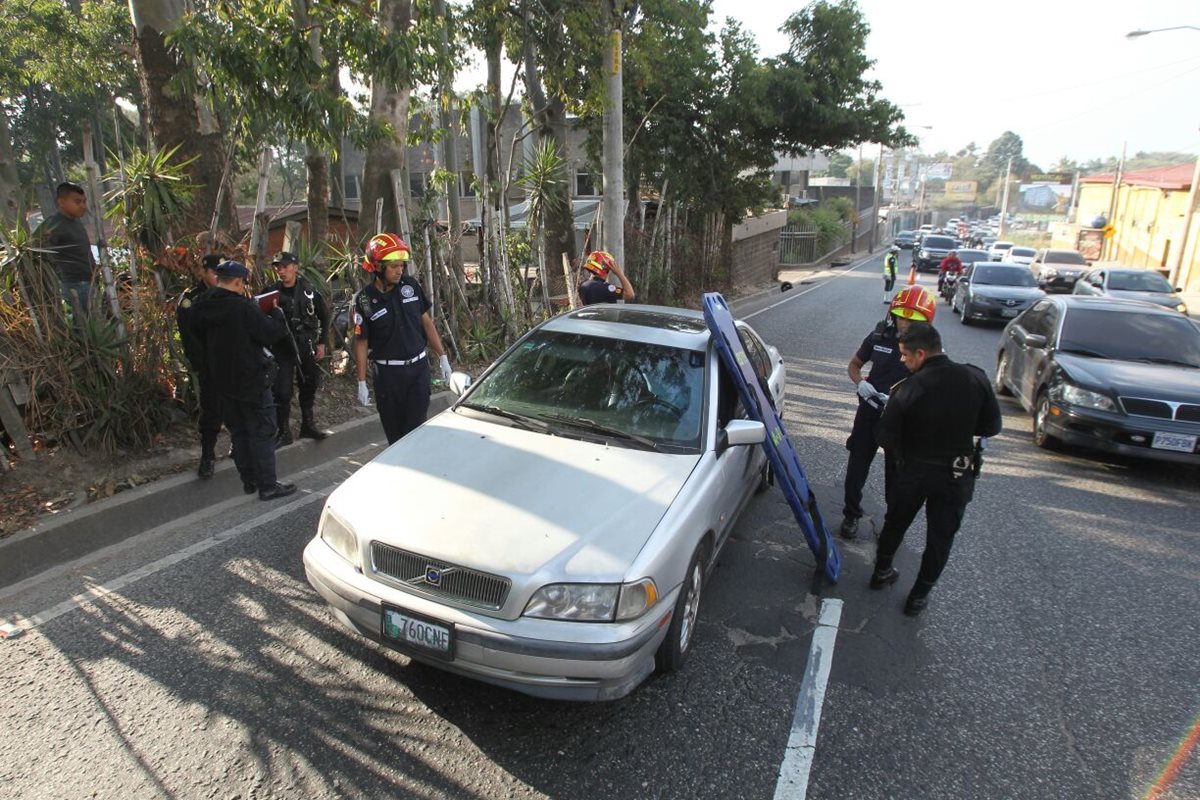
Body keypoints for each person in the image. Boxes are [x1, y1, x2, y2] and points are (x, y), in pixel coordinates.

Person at [869, 322, 1002, 616]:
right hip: (956, 474)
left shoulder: (908, 388)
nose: (902, 361)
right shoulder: (975, 378)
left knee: (896, 523)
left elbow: (885, 436)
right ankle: (918, 596)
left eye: (905, 355)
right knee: (940, 538)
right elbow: (992, 426)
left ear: (921, 353)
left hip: (915, 471)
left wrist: (906, 449)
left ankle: (881, 572)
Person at [191, 260, 297, 501]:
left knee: (238, 432)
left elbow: (197, 335)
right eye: (242, 284)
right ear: (238, 282)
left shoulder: (200, 305)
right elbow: (268, 332)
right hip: (251, 379)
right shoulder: (242, 308)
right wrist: (278, 316)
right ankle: (268, 485)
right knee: (262, 430)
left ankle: (249, 480)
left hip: (221, 380)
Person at [838, 285, 936, 541]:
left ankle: (892, 526)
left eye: (912, 319)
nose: (905, 323)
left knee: (897, 476)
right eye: (901, 316)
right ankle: (851, 515)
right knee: (857, 465)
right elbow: (855, 364)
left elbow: (933, 386)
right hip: (870, 411)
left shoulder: (928, 350)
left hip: (902, 422)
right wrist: (860, 383)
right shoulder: (879, 337)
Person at [353, 233, 453, 444]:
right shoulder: (364, 300)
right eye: (394, 266)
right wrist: (361, 381)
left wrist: (442, 356)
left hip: (418, 372)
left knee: (415, 431)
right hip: (388, 377)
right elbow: (361, 342)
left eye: (402, 265)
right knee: (395, 435)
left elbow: (426, 323)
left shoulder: (411, 287)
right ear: (378, 267)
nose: (400, 270)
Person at [264, 251, 331, 446]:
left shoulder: (308, 290)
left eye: (284, 266)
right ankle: (283, 432)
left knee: (309, 385)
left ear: (295, 267)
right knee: (282, 391)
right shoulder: (270, 292)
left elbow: (324, 317)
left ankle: (307, 425)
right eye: (278, 267)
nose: (281, 271)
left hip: (305, 345)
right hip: (281, 349)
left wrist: (322, 343)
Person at [175, 254, 223, 478]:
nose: (218, 277)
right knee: (211, 410)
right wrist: (205, 365)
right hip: (209, 364)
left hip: (233, 362)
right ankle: (208, 456)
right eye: (214, 272)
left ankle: (239, 447)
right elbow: (189, 338)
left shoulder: (230, 292)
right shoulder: (190, 300)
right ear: (203, 272)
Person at [34, 182, 96, 315]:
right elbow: (41, 252)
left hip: (89, 282)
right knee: (82, 325)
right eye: (77, 202)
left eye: (84, 201)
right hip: (76, 286)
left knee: (93, 321)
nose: (82, 206)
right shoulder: (55, 224)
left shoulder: (75, 221)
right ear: (61, 202)